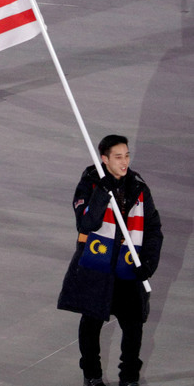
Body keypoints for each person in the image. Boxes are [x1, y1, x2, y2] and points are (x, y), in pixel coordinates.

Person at [57, 135, 163, 386]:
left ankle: (129, 378)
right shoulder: (89, 186)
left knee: (134, 325)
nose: (124, 161)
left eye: (126, 155)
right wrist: (101, 196)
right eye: (118, 157)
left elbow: (153, 228)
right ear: (104, 159)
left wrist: (148, 262)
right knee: (92, 323)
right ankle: (92, 376)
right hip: (98, 266)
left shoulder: (138, 187)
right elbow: (86, 223)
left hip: (128, 266)